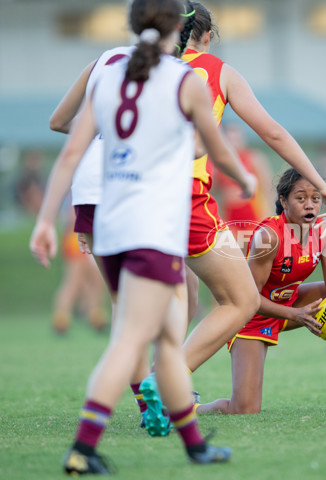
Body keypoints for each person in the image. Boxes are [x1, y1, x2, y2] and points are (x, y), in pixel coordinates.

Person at [30, 0, 256, 473]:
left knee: (168, 339)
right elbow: (213, 147)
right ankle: (83, 450)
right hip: (150, 223)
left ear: (132, 26)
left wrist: (45, 221)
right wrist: (247, 180)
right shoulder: (182, 81)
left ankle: (195, 445)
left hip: (108, 219)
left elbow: (71, 152)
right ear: (180, 28)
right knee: (131, 339)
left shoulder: (109, 76)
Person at [171, 2, 326, 385]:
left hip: (125, 198)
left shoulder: (132, 67)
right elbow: (272, 133)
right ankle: (167, 383)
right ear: (207, 37)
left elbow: (66, 123)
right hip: (182, 197)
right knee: (241, 299)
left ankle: (151, 390)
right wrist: (320, 184)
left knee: (170, 297)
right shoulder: (216, 71)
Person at [48, 4, 199, 437]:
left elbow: (59, 122)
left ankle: (150, 404)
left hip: (90, 194)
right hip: (136, 195)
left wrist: (102, 131)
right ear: (180, 29)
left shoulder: (106, 62)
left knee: (125, 310)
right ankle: (167, 409)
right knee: (166, 314)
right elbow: (202, 147)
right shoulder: (174, 72)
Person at [197, 169, 326, 414]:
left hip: (292, 303)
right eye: (300, 198)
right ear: (283, 201)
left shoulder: (324, 231)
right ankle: (189, 408)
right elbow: (247, 299)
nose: (310, 205)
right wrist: (295, 315)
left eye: (315, 198)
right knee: (244, 410)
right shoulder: (269, 236)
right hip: (253, 315)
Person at [212, 122, 274, 250]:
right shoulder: (219, 164)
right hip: (230, 217)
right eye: (229, 138)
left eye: (236, 137)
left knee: (257, 253)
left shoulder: (254, 158)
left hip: (253, 214)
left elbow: (268, 187)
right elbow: (213, 190)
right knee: (233, 255)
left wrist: (269, 216)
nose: (233, 141)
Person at [52, 205, 107, 334]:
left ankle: (95, 315)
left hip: (91, 233)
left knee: (96, 280)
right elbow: (73, 215)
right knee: (74, 280)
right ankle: (61, 318)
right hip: (77, 235)